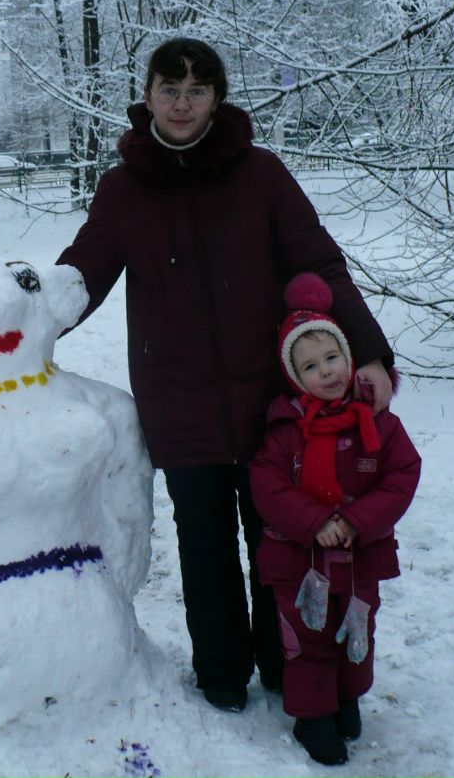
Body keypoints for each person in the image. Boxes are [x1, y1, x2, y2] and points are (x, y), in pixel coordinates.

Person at [56, 36, 396, 713]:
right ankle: (221, 671)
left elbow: (319, 263)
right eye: (169, 88)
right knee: (203, 542)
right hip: (176, 399)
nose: (182, 103)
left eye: (197, 89)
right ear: (146, 95)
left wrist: (368, 351)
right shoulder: (124, 189)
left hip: (274, 400)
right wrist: (2, 337)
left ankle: (284, 662)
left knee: (280, 538)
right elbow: (79, 278)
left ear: (217, 97)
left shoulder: (260, 173)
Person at [249, 273, 420, 765]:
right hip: (300, 560)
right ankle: (313, 716)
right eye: (310, 365)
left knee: (356, 629)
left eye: (332, 358)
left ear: (349, 358)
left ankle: (346, 699)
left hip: (360, 556)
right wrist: (315, 520)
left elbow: (403, 474)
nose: (325, 371)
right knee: (308, 637)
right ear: (294, 376)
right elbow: (268, 483)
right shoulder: (285, 431)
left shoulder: (380, 424)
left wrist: (360, 520)